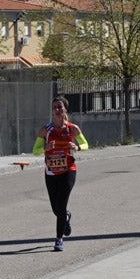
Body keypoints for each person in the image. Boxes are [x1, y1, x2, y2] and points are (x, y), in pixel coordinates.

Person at [32, 96, 88, 252]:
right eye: (54, 107)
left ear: (65, 110)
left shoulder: (72, 128)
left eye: (60, 107)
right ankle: (66, 217)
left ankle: (58, 239)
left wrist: (76, 147)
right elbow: (35, 151)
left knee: (62, 203)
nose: (57, 110)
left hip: (68, 170)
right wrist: (45, 148)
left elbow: (85, 144)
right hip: (51, 173)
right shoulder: (45, 130)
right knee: (56, 209)